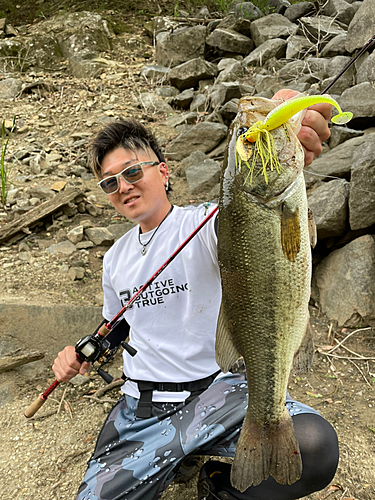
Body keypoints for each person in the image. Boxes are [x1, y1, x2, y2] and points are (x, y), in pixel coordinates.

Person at [53, 89, 339, 500]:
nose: (123, 187)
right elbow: (116, 325)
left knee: (315, 447)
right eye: (110, 182)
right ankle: (179, 455)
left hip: (219, 392)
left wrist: (281, 121)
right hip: (143, 410)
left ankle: (219, 488)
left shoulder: (207, 222)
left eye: (133, 172)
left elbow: (248, 218)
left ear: (164, 171)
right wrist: (82, 350)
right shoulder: (114, 259)